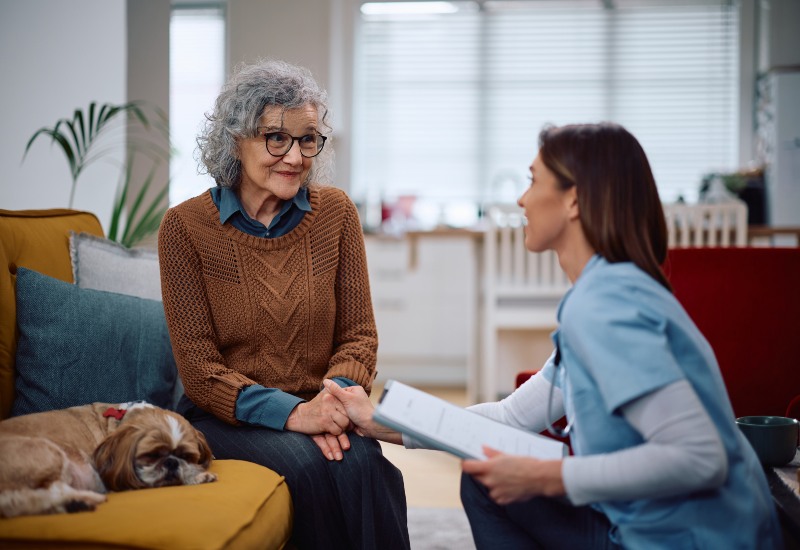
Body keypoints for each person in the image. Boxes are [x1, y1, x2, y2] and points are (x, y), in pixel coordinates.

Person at [323, 122, 783, 549]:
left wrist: (550, 477)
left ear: (574, 200)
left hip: (693, 538)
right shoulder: (605, 289)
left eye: (533, 180)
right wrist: (378, 418)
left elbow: (700, 458)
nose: (522, 200)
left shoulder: (606, 305)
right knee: (486, 475)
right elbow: (510, 417)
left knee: (495, 482)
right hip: (665, 522)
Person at [158, 59, 409, 550]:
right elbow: (201, 371)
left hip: (324, 405)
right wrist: (295, 414)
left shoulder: (335, 214)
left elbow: (359, 335)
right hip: (228, 418)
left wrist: (329, 403)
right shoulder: (184, 229)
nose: (295, 157)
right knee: (309, 465)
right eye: (276, 138)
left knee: (368, 464)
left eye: (308, 139)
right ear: (235, 140)